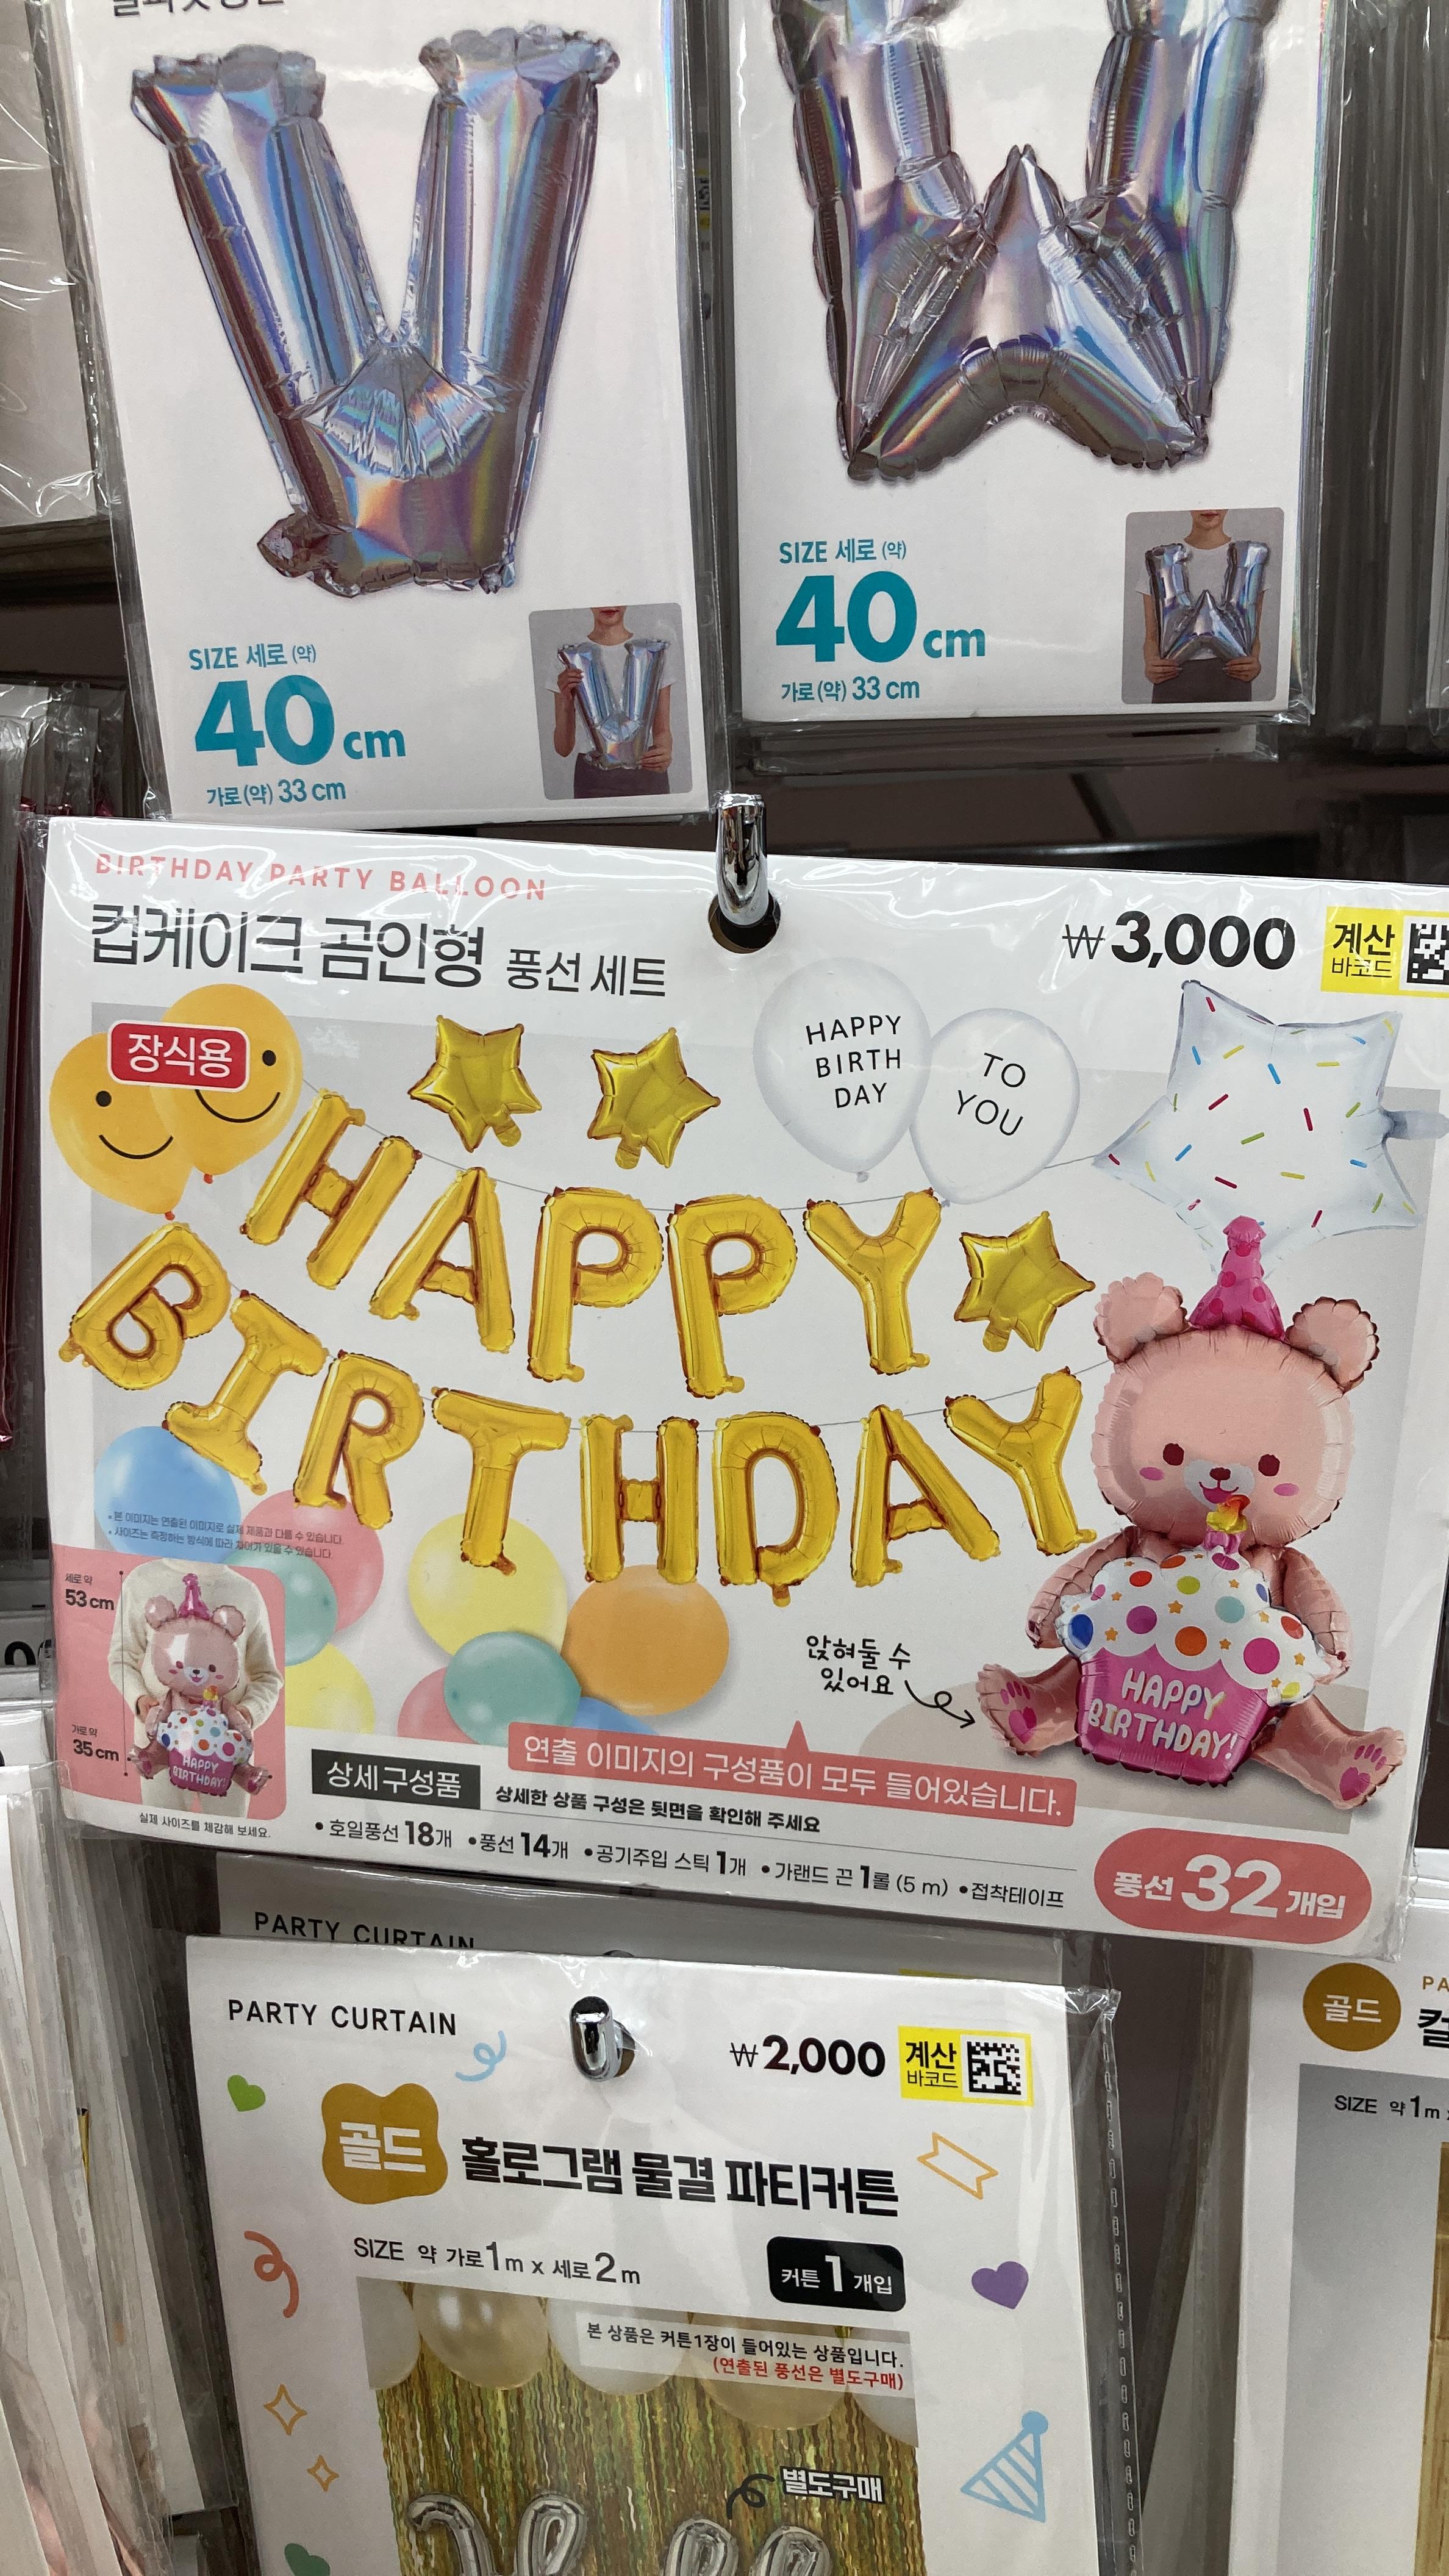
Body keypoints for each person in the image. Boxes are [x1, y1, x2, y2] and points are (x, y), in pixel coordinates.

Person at [109, 1559, 281, 1819]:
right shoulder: (142, 1580)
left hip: (226, 1740)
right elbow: (121, 1658)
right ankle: (153, 1758)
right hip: (162, 1735)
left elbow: (267, 1675)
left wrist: (248, 1713)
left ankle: (245, 1774)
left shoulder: (245, 1592)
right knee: (163, 1830)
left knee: (227, 1831)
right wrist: (139, 1700)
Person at [1139, 508, 1265, 705]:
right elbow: (1152, 636)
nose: (1210, 508)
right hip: (1173, 677)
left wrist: (1254, 663)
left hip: (1233, 677)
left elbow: (1254, 633)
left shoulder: (1251, 558)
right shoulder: (1161, 559)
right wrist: (1151, 664)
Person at [553, 606, 673, 796]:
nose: (608, 604)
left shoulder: (653, 652)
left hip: (646, 772)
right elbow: (563, 748)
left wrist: (665, 753)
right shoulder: (570, 658)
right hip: (593, 779)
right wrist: (566, 701)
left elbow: (663, 732)